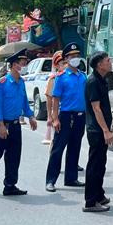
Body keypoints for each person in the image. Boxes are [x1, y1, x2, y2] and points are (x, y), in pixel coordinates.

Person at [0, 49, 37, 196]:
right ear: (13, 65)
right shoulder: (1, 84)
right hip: (3, 125)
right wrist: (0, 125)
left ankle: (10, 185)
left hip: (15, 125)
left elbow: (24, 102)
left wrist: (30, 116)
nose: (24, 66)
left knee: (14, 156)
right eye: (22, 63)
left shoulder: (21, 83)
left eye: (25, 63)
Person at [45, 42, 87, 192]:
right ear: (67, 59)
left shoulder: (83, 76)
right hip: (66, 116)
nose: (76, 58)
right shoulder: (61, 77)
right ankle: (50, 180)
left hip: (80, 116)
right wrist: (55, 118)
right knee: (58, 148)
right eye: (72, 56)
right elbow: (56, 99)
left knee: (75, 148)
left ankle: (71, 178)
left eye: (77, 56)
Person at [83, 51, 113, 212]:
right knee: (94, 166)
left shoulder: (102, 80)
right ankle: (90, 201)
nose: (110, 62)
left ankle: (98, 194)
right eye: (107, 60)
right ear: (99, 65)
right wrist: (105, 131)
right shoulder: (93, 82)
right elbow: (96, 109)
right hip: (96, 131)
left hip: (101, 129)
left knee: (101, 164)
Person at [43, 50, 64, 145]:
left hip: (68, 113)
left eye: (66, 63)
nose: (65, 66)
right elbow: (49, 99)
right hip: (57, 113)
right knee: (56, 142)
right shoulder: (53, 79)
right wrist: (49, 117)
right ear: (56, 65)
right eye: (62, 63)